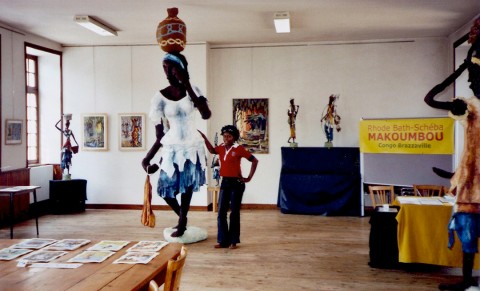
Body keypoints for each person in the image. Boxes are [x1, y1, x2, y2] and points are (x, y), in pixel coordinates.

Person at [424, 16, 480, 291]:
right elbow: (430, 99)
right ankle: (468, 280)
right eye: (473, 73)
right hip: (471, 183)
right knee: (468, 232)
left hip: (471, 181)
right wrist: (461, 68)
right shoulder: (469, 106)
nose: (474, 78)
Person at [142, 52, 211, 237]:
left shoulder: (193, 90)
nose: (166, 71)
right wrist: (147, 158)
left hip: (191, 146)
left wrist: (187, 83)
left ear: (179, 68)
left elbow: (205, 114)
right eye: (163, 67)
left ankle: (181, 222)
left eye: (169, 67)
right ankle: (183, 217)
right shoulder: (159, 97)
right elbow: (160, 135)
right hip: (172, 147)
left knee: (187, 186)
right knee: (165, 189)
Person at [198, 125, 258, 249]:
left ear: (234, 137)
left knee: (234, 213)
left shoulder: (239, 148)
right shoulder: (220, 147)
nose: (226, 138)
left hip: (237, 184)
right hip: (225, 182)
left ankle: (234, 241)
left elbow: (254, 161)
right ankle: (222, 240)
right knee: (221, 212)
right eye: (224, 136)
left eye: (229, 136)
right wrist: (204, 138)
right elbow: (211, 150)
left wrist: (248, 178)